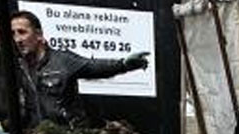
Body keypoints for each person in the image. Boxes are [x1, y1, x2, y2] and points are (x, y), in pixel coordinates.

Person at [10, 11, 148, 126]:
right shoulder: (17, 68)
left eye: (22, 32)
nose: (17, 39)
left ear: (39, 35)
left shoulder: (62, 60)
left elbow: (93, 67)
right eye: (13, 34)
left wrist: (124, 64)